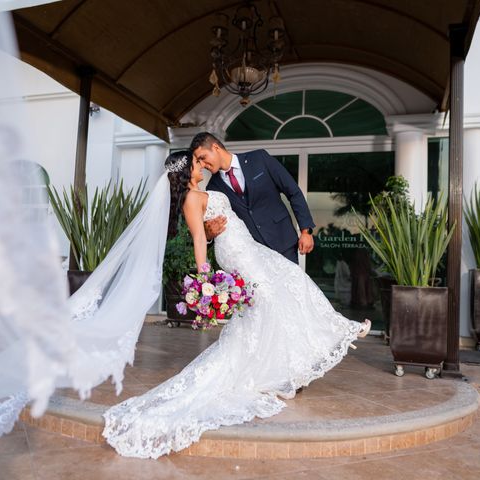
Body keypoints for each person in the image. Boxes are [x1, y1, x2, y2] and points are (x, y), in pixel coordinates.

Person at [102, 151, 371, 459]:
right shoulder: (191, 198)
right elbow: (199, 239)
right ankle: (278, 371)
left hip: (250, 247)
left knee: (292, 282)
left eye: (202, 161)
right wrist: (205, 279)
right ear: (186, 169)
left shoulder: (206, 189)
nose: (201, 165)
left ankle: (326, 335)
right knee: (268, 301)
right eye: (196, 163)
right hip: (236, 253)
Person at [190, 132, 314, 264]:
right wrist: (208, 235)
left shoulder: (259, 158)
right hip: (253, 256)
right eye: (199, 161)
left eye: (203, 158)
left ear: (215, 147)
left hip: (283, 242)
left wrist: (306, 231)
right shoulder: (213, 188)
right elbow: (210, 231)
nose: (202, 165)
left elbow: (293, 192)